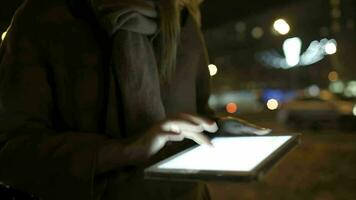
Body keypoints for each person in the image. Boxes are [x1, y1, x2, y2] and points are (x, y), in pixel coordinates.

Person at [0, 0, 270, 199]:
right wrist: (126, 150)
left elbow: (197, 115)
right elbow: (12, 153)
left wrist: (219, 130)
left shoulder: (183, 20)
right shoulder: (43, 20)